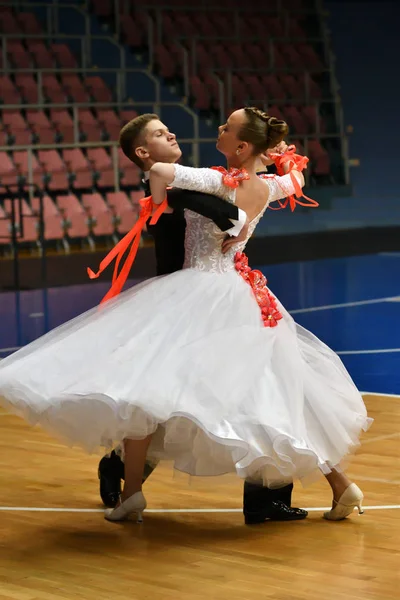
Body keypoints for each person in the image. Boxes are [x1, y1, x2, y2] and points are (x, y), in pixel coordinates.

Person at [0, 107, 371, 526]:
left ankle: (132, 491)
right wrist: (276, 160)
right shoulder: (266, 187)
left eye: (226, 128)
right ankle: (340, 484)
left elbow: (161, 172)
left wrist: (157, 202)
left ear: (242, 145)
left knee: (146, 386)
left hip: (196, 292)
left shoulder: (214, 180)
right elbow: (296, 181)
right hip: (241, 292)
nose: (217, 129)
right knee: (265, 391)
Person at [99, 113, 306, 523]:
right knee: (164, 398)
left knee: (252, 383)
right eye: (160, 133)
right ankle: (121, 471)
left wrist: (266, 170)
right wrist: (239, 209)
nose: (172, 133)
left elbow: (237, 193)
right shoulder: (175, 182)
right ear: (142, 151)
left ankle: (265, 495)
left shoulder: (203, 176)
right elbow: (201, 200)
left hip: (221, 293)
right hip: (182, 298)